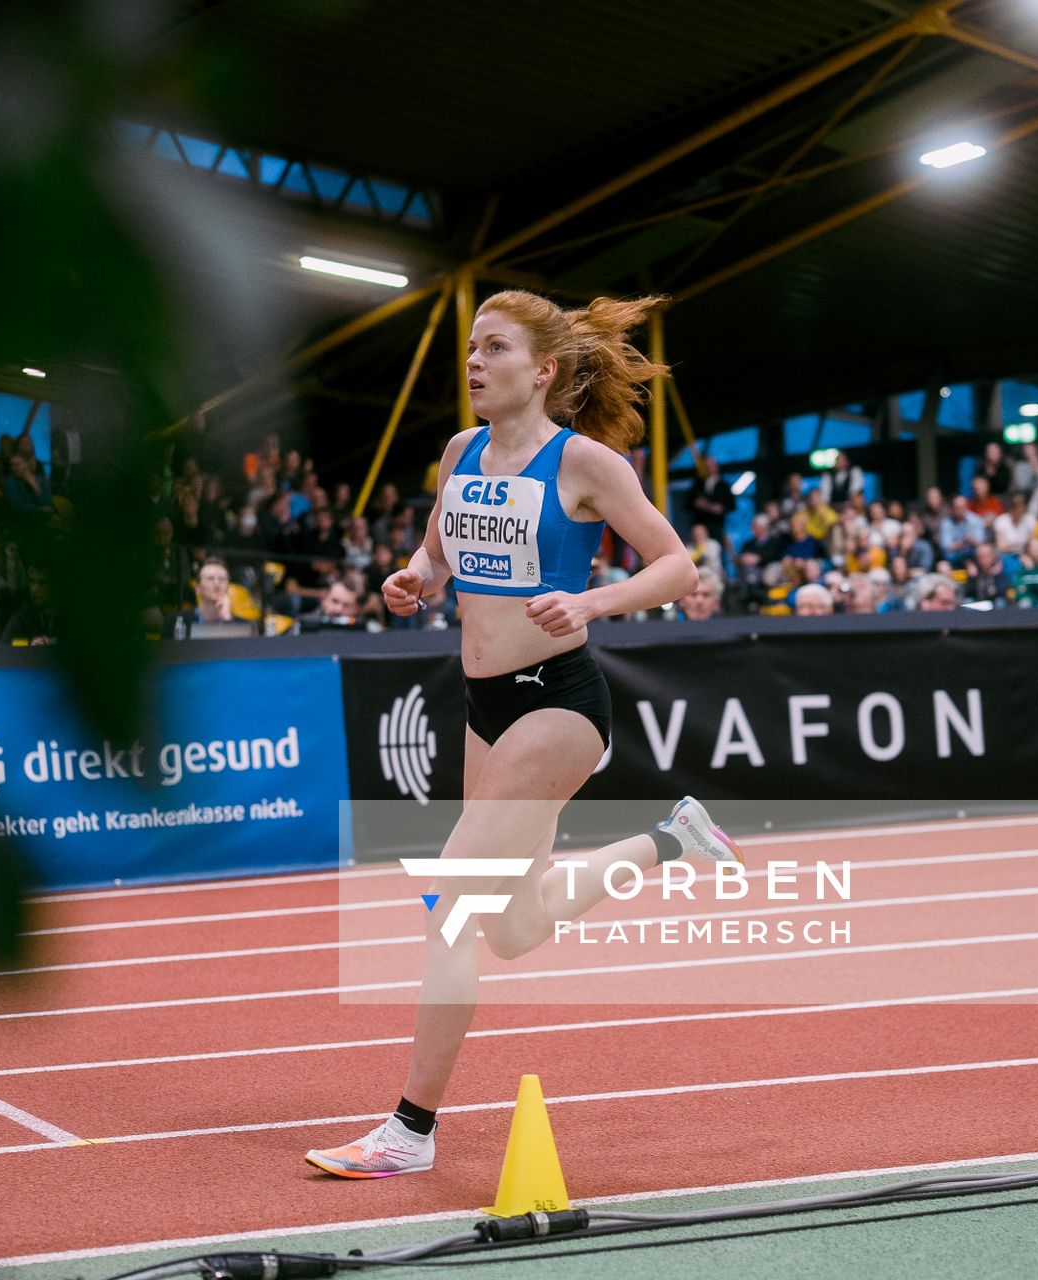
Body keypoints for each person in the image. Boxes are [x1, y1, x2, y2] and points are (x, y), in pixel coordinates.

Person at [303, 290, 740, 1180]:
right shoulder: (459, 452)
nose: (472, 362)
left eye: (492, 348)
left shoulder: (584, 462)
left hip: (560, 702)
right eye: (469, 348)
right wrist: (414, 576)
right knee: (512, 925)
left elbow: (676, 566)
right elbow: (438, 549)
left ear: (541, 370)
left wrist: (589, 599)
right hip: (484, 704)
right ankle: (671, 839)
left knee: (454, 911)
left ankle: (409, 1133)